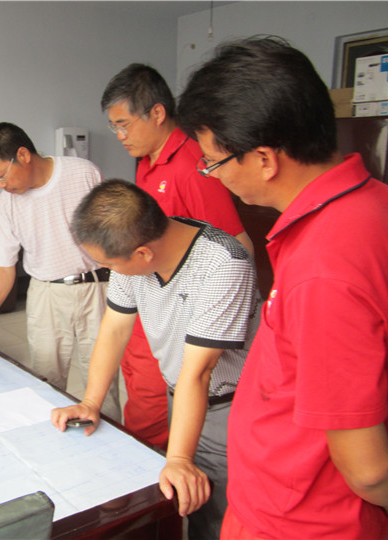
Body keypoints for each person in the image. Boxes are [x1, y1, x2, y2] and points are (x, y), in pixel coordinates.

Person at [177, 35, 388, 539]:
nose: (211, 176)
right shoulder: (379, 203)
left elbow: (367, 468)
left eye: (213, 162)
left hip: (298, 519)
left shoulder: (326, 266)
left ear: (264, 159)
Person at [51, 179, 259, 540]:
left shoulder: (223, 264)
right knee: (185, 498)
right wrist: (90, 402)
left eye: (108, 264)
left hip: (231, 405)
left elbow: (200, 372)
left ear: (143, 254)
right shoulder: (135, 247)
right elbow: (115, 329)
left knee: (219, 510)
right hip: (182, 392)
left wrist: (178, 459)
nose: (109, 270)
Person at [100, 63, 253, 450]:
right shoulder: (148, 161)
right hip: (147, 316)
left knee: (157, 432)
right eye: (113, 127)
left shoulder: (192, 166)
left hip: (178, 329)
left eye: (124, 125)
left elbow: (236, 246)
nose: (120, 136)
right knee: (140, 415)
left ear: (157, 112)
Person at [0, 122, 121, 421]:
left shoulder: (82, 173)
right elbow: (4, 268)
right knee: (46, 380)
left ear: (23, 155)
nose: (1, 185)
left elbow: (110, 231)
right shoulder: (7, 205)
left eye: (1, 175)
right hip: (46, 295)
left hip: (97, 288)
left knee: (103, 382)